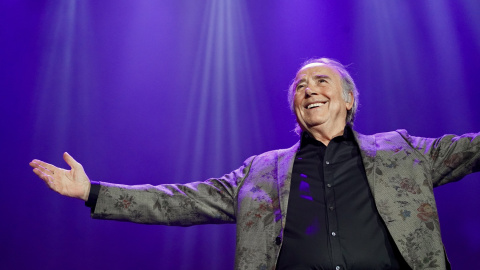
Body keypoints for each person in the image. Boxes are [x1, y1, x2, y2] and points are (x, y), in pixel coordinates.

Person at [30, 58, 480, 270]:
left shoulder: (401, 151)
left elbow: (473, 148)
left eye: (321, 80)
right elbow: (179, 202)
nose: (309, 89)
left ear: (347, 98)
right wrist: (92, 192)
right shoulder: (262, 171)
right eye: (300, 86)